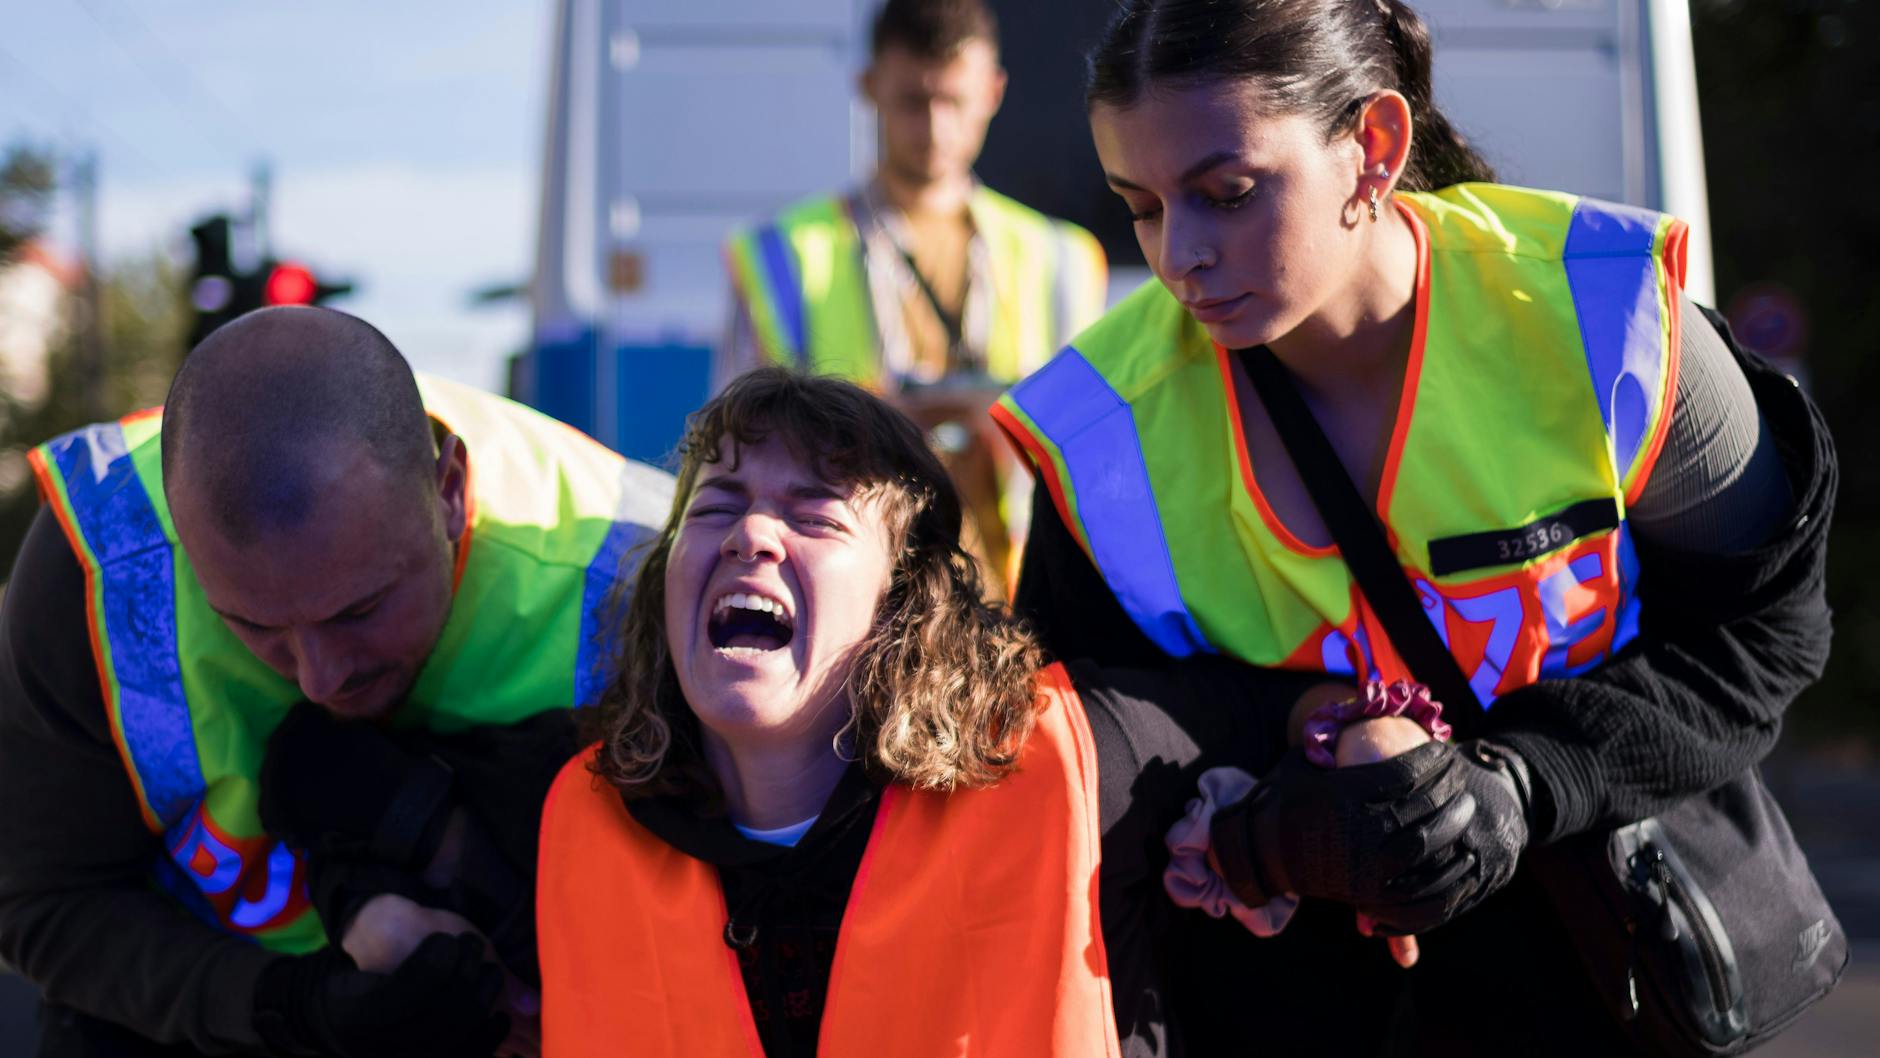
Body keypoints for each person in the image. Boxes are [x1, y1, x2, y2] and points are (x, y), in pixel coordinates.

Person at [993, 0, 1836, 1054]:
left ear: (1373, 147)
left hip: (1599, 973)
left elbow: (1763, 639)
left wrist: (1519, 784)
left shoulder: (1604, 310)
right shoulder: (1099, 428)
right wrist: (1300, 754)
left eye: (1225, 193)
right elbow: (1074, 746)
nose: (1180, 257)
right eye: (1141, 206)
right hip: (1280, 1007)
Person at [535, 367, 1435, 1058]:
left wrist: (1367, 734)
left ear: (902, 600)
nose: (750, 534)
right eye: (717, 504)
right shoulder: (581, 813)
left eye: (813, 514)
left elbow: (1282, 709)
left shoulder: (1064, 761)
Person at [0, 307, 674, 1057]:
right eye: (253, 624)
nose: (321, 678)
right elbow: (44, 903)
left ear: (448, 490)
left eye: (360, 609)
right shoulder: (101, 567)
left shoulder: (649, 582)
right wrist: (291, 1008)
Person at [718, 0, 1108, 591]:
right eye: (912, 102)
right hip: (852, 590)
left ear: (993, 91)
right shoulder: (786, 254)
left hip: (1014, 595)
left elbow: (1092, 454)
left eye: (953, 101)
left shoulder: (1059, 258)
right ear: (869, 87)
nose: (934, 128)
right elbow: (739, 446)